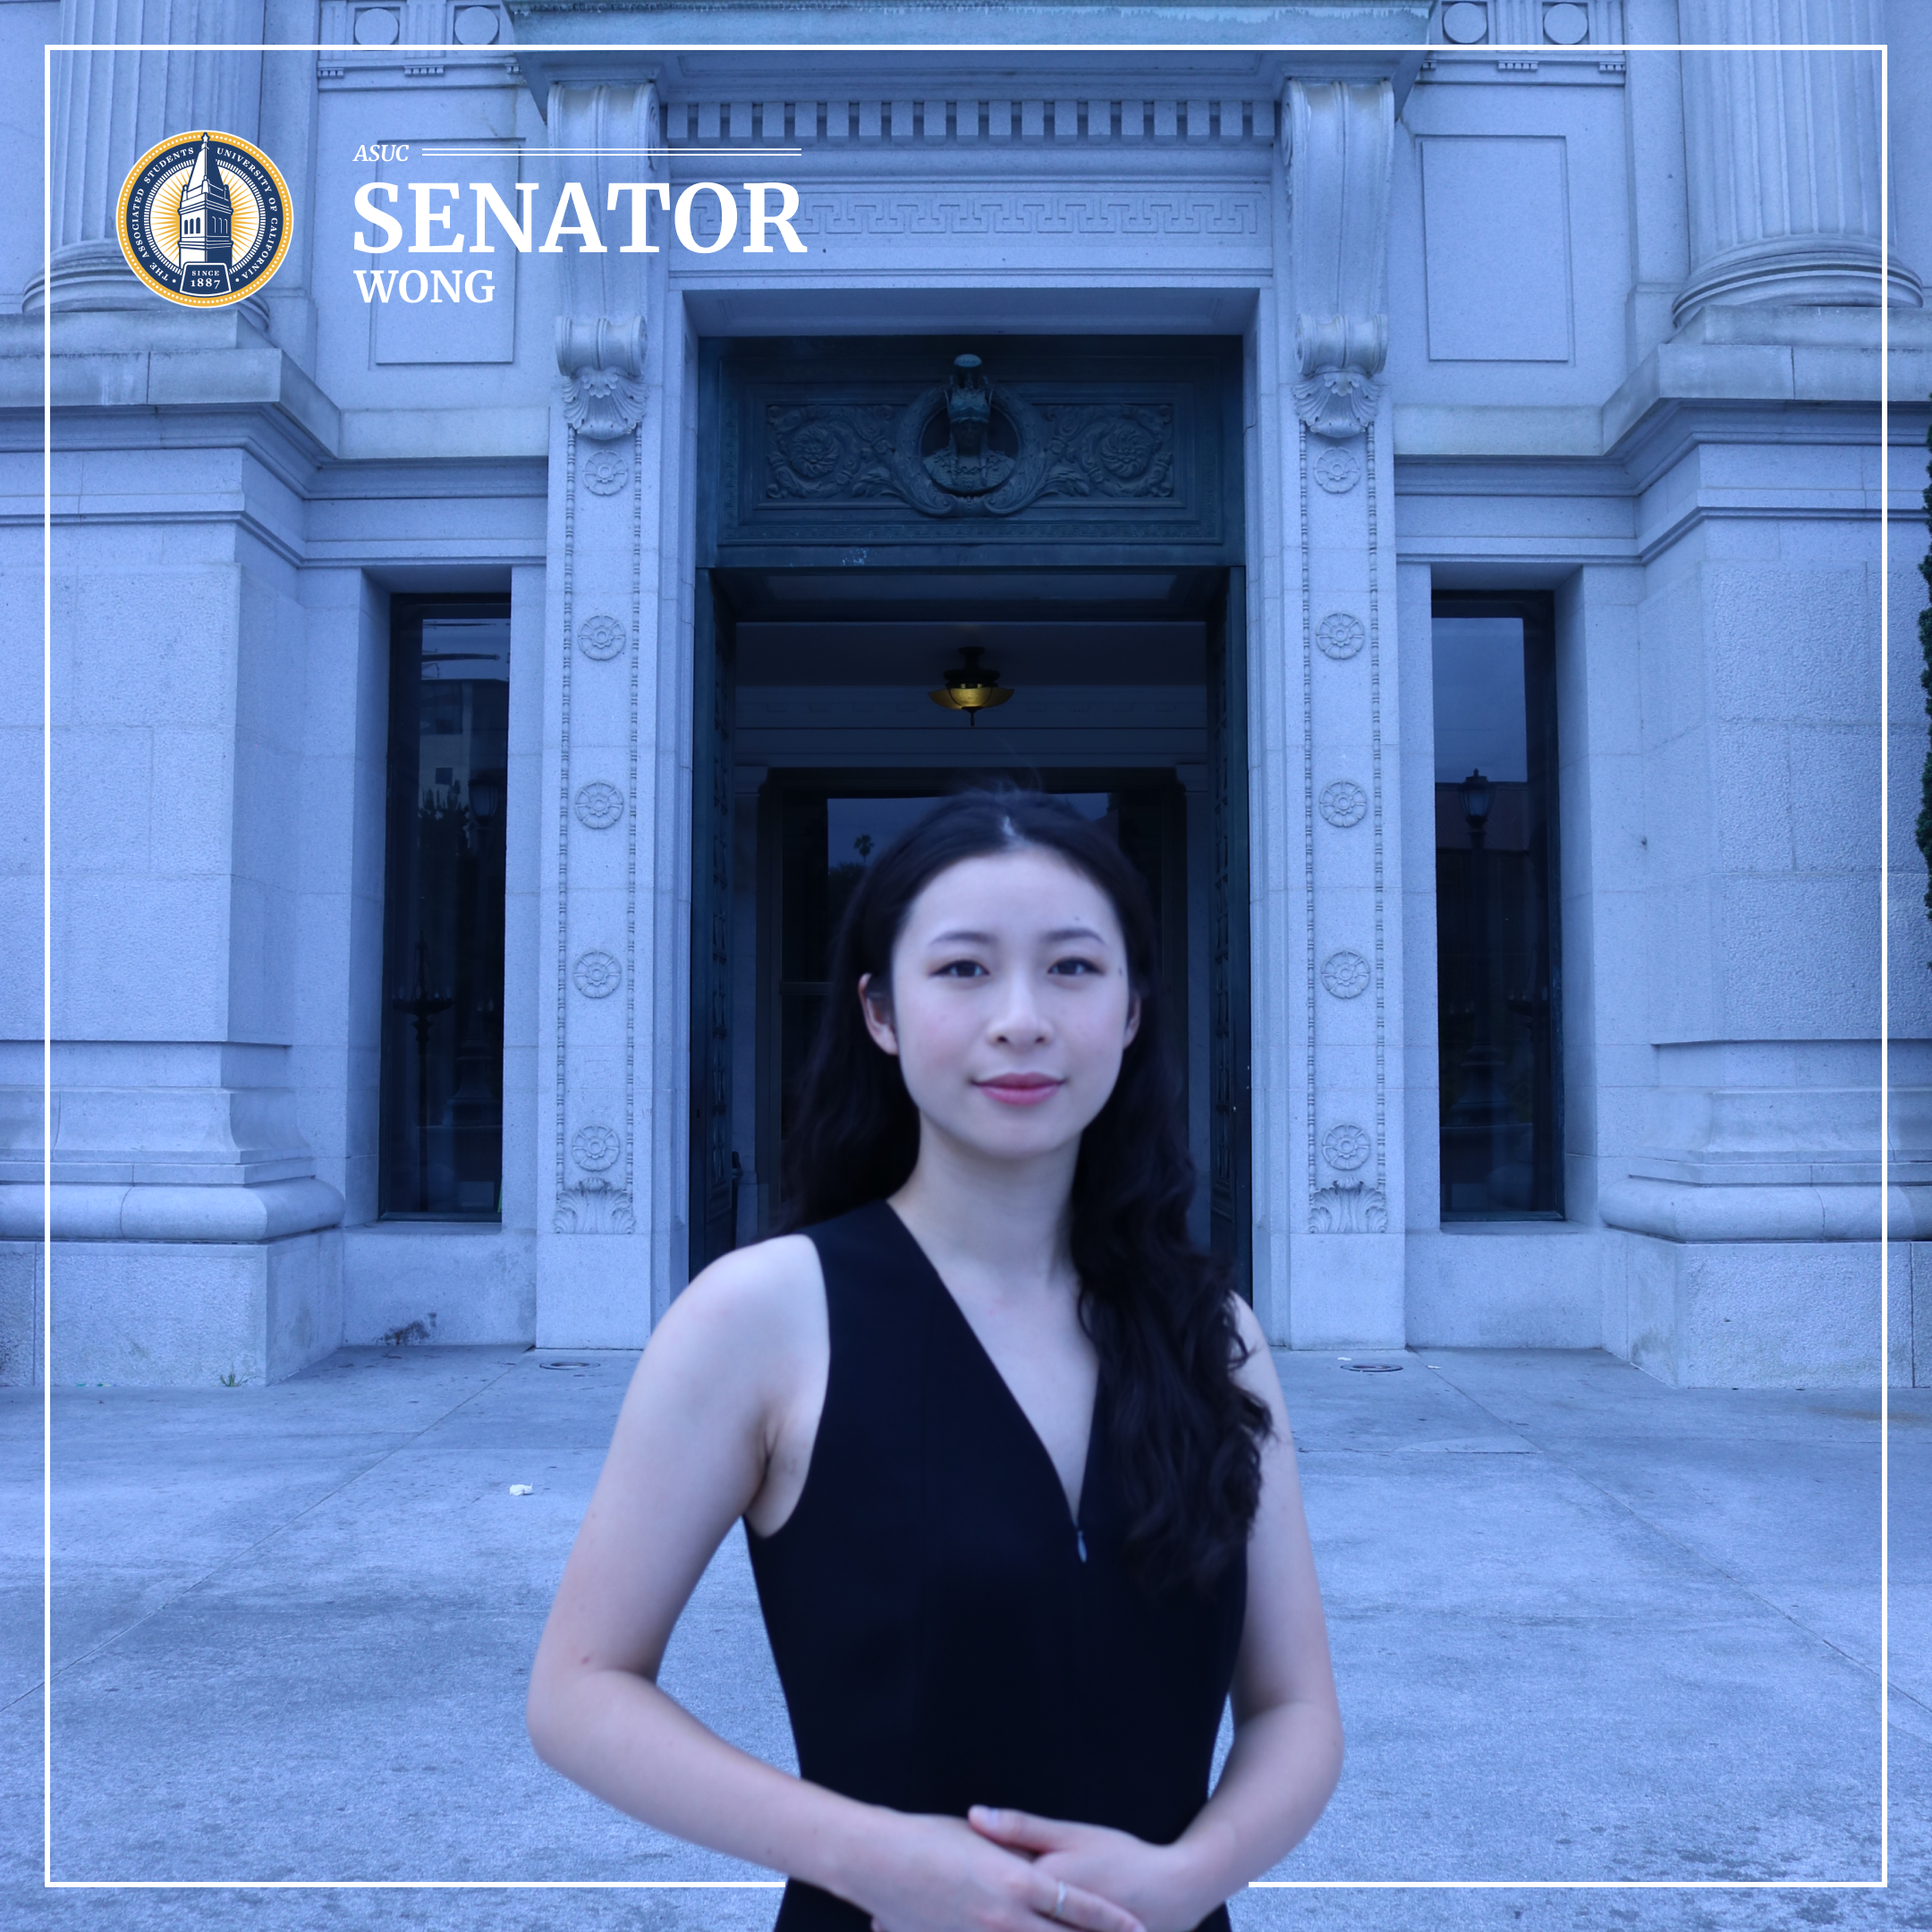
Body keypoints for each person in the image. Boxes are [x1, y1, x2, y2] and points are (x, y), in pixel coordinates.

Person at [526, 788, 1343, 1932]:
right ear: (880, 1011)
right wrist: (877, 1859)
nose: (1022, 1019)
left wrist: (1186, 1876)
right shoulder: (765, 1315)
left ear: (1133, 1010)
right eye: (963, 970)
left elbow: (1294, 1707)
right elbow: (580, 1688)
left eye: (1072, 969)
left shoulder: (1213, 1330)